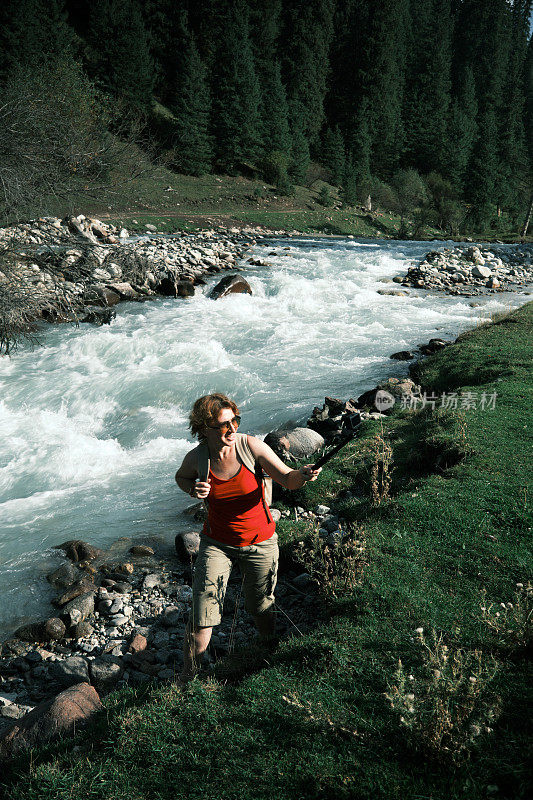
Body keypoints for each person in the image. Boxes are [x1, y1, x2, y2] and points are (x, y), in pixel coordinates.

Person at [175, 392, 321, 681]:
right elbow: (182, 477)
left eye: (235, 421)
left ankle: (267, 650)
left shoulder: (250, 447)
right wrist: (192, 490)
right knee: (202, 617)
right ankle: (188, 681)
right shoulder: (197, 458)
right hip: (217, 544)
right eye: (223, 425)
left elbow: (288, 478)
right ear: (205, 429)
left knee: (260, 606)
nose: (232, 429)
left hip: (260, 542)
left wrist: (302, 474)